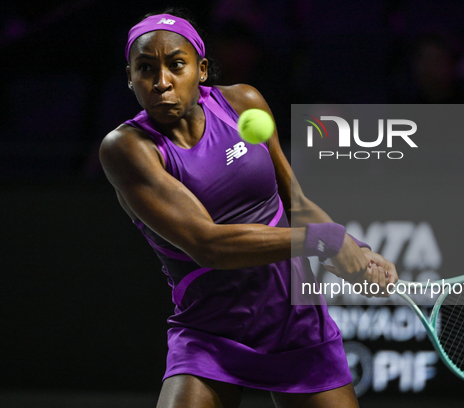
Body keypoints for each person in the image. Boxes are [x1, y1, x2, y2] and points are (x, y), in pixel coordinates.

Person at [99, 9, 397, 408]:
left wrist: (357, 251)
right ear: (131, 76)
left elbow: (297, 202)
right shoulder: (128, 148)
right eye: (146, 68)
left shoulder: (242, 102)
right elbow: (208, 244)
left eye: (176, 65)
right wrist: (323, 241)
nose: (162, 82)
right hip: (211, 335)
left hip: (297, 323)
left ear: (201, 70)